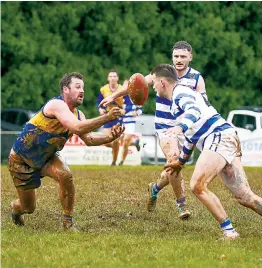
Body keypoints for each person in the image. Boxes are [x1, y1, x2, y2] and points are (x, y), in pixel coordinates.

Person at [151, 64, 262, 239]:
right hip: (225, 138)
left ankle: (229, 232)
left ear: (163, 83)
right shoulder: (176, 100)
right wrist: (180, 161)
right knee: (245, 197)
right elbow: (192, 137)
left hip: (219, 137)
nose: (153, 87)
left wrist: (180, 127)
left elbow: (193, 112)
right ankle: (229, 231)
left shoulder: (181, 92)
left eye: (154, 83)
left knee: (197, 185)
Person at [99, 41, 205, 220]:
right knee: (173, 158)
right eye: (176, 56)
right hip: (165, 127)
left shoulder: (196, 78)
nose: (179, 60)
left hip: (186, 129)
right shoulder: (161, 73)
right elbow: (135, 85)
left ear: (190, 57)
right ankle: (182, 205)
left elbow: (202, 105)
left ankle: (154, 188)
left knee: (176, 166)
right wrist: (113, 96)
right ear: (172, 57)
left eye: (183, 56)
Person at [8, 72, 124, 231]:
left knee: (66, 175)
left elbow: (89, 139)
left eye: (83, 87)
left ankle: (67, 223)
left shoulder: (79, 114)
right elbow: (76, 127)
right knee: (28, 208)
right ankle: (15, 209)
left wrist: (109, 137)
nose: (82, 90)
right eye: (77, 87)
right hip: (21, 159)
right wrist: (106, 118)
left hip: (47, 157)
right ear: (65, 89)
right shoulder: (57, 105)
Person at [96, 69, 125, 166]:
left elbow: (129, 102)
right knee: (105, 140)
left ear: (117, 78)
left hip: (118, 115)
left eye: (114, 76)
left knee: (116, 139)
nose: (112, 78)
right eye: (111, 76)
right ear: (108, 78)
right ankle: (115, 148)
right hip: (108, 116)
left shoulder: (122, 88)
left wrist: (124, 110)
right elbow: (98, 102)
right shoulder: (103, 89)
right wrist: (100, 109)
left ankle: (114, 162)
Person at [118, 94, 142, 166]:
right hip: (121, 122)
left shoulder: (135, 97)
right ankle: (134, 143)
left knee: (125, 142)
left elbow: (140, 110)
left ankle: (121, 161)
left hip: (130, 123)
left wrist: (136, 113)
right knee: (121, 142)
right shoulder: (120, 97)